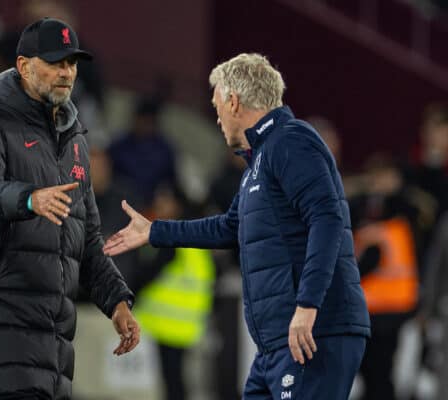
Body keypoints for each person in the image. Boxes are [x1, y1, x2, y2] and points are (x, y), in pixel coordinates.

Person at [104, 53, 370, 400]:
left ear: (233, 101)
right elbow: (230, 228)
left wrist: (307, 306)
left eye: (216, 107)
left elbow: (327, 218)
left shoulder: (292, 140)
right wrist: (154, 231)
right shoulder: (261, 159)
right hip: (276, 341)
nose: (216, 119)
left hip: (313, 331)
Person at [0, 18, 140, 400]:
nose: (66, 73)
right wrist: (30, 198)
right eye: (55, 63)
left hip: (51, 349)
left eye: (71, 64)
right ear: (23, 66)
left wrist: (117, 303)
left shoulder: (76, 143)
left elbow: (87, 240)